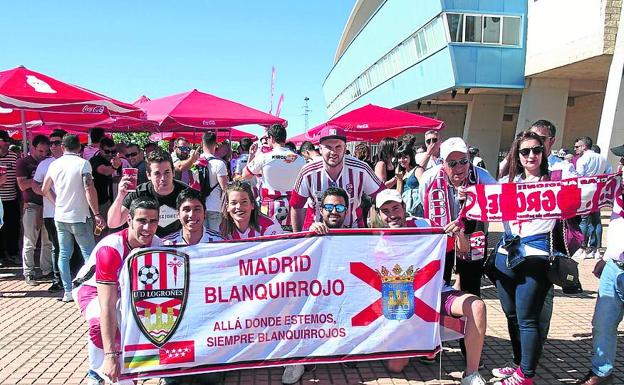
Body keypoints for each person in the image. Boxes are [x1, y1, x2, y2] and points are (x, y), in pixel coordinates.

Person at [375, 189, 487, 385]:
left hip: (434, 291)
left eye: (395, 208)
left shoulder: (424, 224)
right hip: (399, 301)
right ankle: (418, 343)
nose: (392, 214)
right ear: (378, 214)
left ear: (404, 207)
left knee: (477, 306)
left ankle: (471, 373)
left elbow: (463, 249)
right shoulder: (372, 238)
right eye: (385, 210)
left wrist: (459, 232)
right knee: (396, 367)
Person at [73, 196, 163, 385]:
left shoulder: (158, 245)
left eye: (153, 221)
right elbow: (107, 306)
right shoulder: (111, 248)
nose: (147, 227)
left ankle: (129, 371)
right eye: (141, 221)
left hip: (128, 291)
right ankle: (97, 371)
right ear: (129, 220)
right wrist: (111, 356)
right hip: (92, 290)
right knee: (102, 323)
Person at [219, 180, 300, 384]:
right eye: (234, 203)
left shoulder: (269, 225)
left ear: (253, 204)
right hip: (240, 288)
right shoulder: (223, 229)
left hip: (270, 285)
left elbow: (282, 259)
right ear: (227, 207)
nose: (239, 207)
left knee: (287, 306)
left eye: (244, 202)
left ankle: (293, 358)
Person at [492, 130, 555, 385]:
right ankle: (519, 364)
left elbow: (584, 194)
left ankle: (526, 375)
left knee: (528, 318)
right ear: (517, 155)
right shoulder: (510, 183)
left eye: (536, 150)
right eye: (525, 151)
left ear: (544, 152)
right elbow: (484, 200)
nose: (531, 155)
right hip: (506, 255)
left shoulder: (555, 182)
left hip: (535, 257)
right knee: (511, 315)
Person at [419, 137, 496, 297]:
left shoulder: (481, 176)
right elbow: (424, 204)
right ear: (442, 163)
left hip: (472, 234)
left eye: (463, 161)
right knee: (439, 283)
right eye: (452, 163)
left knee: (471, 286)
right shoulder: (429, 178)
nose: (459, 167)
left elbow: (497, 200)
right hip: (441, 236)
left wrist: (474, 198)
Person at [42, 134, 106, 303]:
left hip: (61, 216)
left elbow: (44, 188)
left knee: (64, 254)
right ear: (79, 147)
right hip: (80, 216)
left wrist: (57, 203)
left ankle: (68, 291)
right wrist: (97, 213)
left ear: (63, 147)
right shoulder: (83, 164)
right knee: (89, 255)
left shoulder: (54, 164)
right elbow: (88, 188)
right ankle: (92, 289)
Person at [290, 127, 385, 231]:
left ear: (345, 148)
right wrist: (297, 237)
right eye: (328, 147)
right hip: (319, 230)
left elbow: (384, 196)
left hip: (352, 230)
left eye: (338, 147)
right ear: (320, 149)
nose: (333, 152)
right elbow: (296, 205)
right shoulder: (308, 171)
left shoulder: (361, 169)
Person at [575, 190, 624, 385]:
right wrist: (605, 258)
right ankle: (602, 372)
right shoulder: (619, 189)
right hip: (613, 266)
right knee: (603, 324)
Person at [107, 150, 188, 239]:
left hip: (178, 244)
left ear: (173, 172)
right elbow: (113, 223)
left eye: (167, 172)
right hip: (148, 244)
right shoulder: (140, 193)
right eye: (157, 174)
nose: (163, 178)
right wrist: (120, 196)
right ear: (148, 175)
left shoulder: (185, 193)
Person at [242, 124, 305, 230]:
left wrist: (251, 156)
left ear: (271, 138)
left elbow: (245, 175)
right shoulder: (299, 159)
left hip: (269, 206)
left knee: (269, 236)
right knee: (291, 238)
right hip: (293, 206)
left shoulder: (264, 157)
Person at [32, 130, 66, 292]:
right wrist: (51, 198)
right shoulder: (45, 164)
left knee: (73, 247)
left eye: (56, 142)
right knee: (57, 247)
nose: (52, 146)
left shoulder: (77, 161)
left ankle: (73, 277)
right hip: (51, 213)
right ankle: (57, 279)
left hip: (74, 213)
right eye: (51, 143)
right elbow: (35, 184)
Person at [16, 134, 53, 285]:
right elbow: (22, 185)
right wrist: (40, 177)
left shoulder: (49, 162)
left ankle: (46, 269)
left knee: (47, 241)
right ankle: (29, 272)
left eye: (46, 152)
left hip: (47, 205)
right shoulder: (23, 163)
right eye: (40, 151)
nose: (43, 155)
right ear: (33, 148)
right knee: (30, 241)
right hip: (31, 205)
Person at [575, 136, 609, 259]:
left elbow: (579, 177)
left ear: (584, 146)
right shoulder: (603, 158)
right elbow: (608, 172)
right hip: (598, 191)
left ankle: (582, 247)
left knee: (584, 220)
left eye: (578, 146)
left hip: (585, 192)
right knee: (596, 220)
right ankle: (596, 248)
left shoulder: (582, 159)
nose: (576, 149)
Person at [195, 132, 229, 232]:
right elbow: (225, 188)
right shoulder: (219, 164)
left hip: (198, 205)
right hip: (215, 206)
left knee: (201, 236)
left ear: (202, 144)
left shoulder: (195, 162)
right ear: (215, 144)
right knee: (215, 238)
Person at [90, 137, 122, 228]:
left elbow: (116, 177)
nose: (110, 154)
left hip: (106, 200)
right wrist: (114, 167)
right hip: (96, 203)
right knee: (99, 229)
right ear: (100, 149)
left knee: (109, 227)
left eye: (113, 152)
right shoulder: (95, 160)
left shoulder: (113, 161)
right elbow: (104, 171)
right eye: (107, 152)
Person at [0, 130, 20, 267]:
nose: (4, 145)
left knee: (13, 226)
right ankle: (1, 255)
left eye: (6, 142)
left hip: (12, 198)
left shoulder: (14, 157)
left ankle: (13, 253)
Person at [395, 140, 423, 217]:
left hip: (418, 207)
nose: (402, 160)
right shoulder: (401, 172)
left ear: (411, 157)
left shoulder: (418, 170)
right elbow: (398, 193)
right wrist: (399, 179)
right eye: (400, 157)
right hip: (406, 207)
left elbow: (424, 188)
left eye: (405, 157)